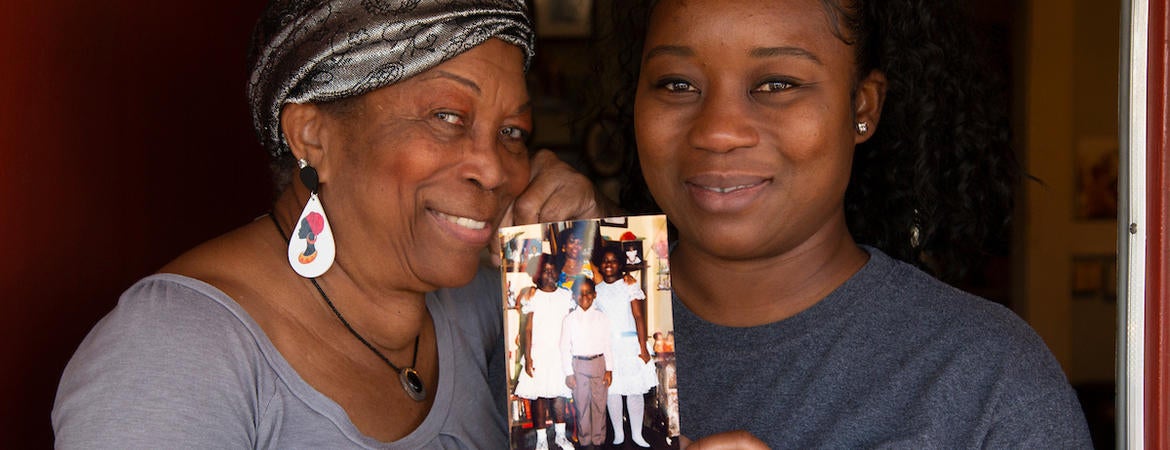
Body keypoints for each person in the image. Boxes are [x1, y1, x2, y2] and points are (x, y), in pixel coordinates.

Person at [50, 1, 611, 447]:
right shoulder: (169, 355)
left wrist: (577, 249)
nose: (493, 168)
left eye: (512, 131)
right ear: (312, 136)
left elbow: (597, 428)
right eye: (447, 117)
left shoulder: (481, 307)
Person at [604, 0, 1095, 447]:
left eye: (777, 85)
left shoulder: (987, 381)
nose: (718, 131)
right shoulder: (561, 325)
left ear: (862, 107)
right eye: (677, 84)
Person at [592, 244, 656, 447]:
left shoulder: (630, 285)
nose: (608, 264)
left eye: (613, 260)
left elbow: (638, 316)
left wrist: (643, 348)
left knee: (634, 390)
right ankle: (619, 433)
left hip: (630, 344)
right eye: (605, 261)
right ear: (600, 265)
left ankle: (637, 434)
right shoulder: (596, 291)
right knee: (613, 391)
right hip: (609, 347)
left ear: (620, 264)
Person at [514, 254, 577, 450]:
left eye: (552, 270)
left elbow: (572, 326)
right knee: (539, 397)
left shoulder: (566, 296)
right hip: (539, 353)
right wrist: (529, 356)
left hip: (560, 355)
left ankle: (560, 436)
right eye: (545, 270)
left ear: (559, 272)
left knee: (559, 396)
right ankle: (541, 439)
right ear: (537, 274)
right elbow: (528, 329)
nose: (549, 274)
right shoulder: (532, 296)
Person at [559, 277, 613, 450]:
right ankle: (585, 441)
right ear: (573, 296)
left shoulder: (602, 318)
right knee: (581, 405)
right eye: (579, 294)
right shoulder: (569, 319)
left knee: (599, 404)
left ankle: (598, 441)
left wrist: (609, 369)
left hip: (598, 363)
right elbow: (564, 347)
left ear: (594, 294)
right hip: (579, 366)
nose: (584, 296)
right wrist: (569, 373)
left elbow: (607, 344)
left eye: (588, 293)